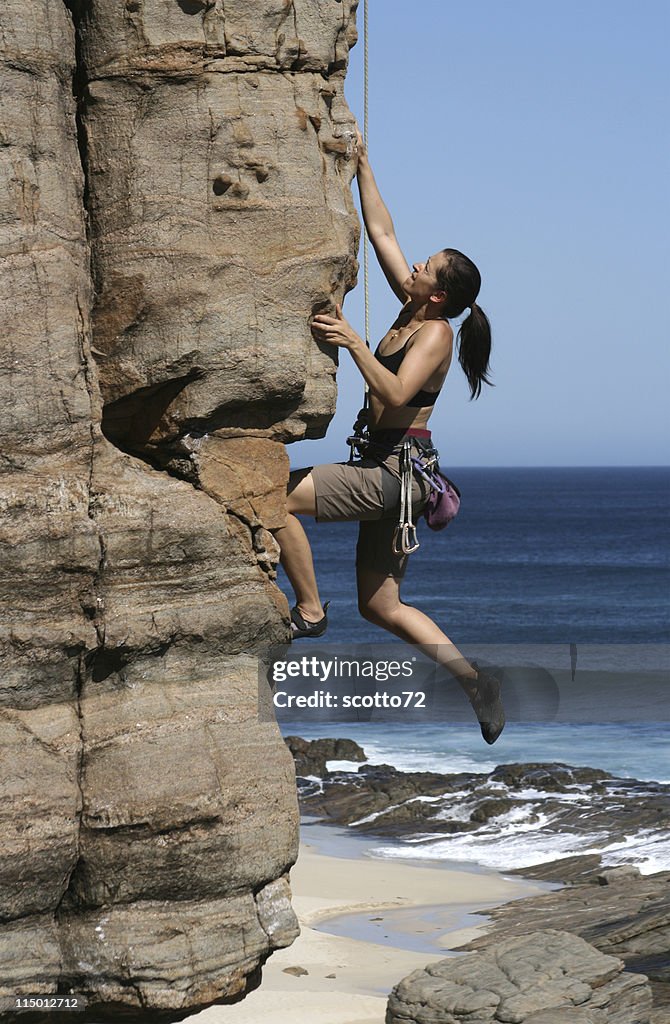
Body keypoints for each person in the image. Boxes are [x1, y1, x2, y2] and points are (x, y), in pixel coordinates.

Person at [272, 134, 505, 744]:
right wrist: (363, 169)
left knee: (277, 496)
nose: (414, 267)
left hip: (392, 476)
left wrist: (351, 342)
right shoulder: (413, 307)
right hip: (389, 471)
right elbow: (382, 234)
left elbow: (398, 396)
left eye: (425, 268)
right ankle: (475, 680)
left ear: (439, 295)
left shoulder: (436, 337)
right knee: (382, 606)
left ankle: (310, 611)